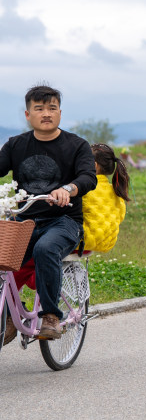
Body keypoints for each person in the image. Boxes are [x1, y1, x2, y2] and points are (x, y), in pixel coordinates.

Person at [0, 85, 96, 342]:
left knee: (46, 249)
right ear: (28, 114)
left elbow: (88, 177)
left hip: (64, 221)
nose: (46, 113)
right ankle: (9, 315)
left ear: (60, 114)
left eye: (52, 108)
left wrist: (69, 188)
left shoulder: (76, 145)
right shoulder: (15, 145)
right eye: (39, 108)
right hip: (24, 220)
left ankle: (51, 316)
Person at [82, 144, 130, 253]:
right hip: (107, 243)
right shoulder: (117, 190)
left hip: (82, 243)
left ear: (94, 166)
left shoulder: (85, 187)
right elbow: (120, 217)